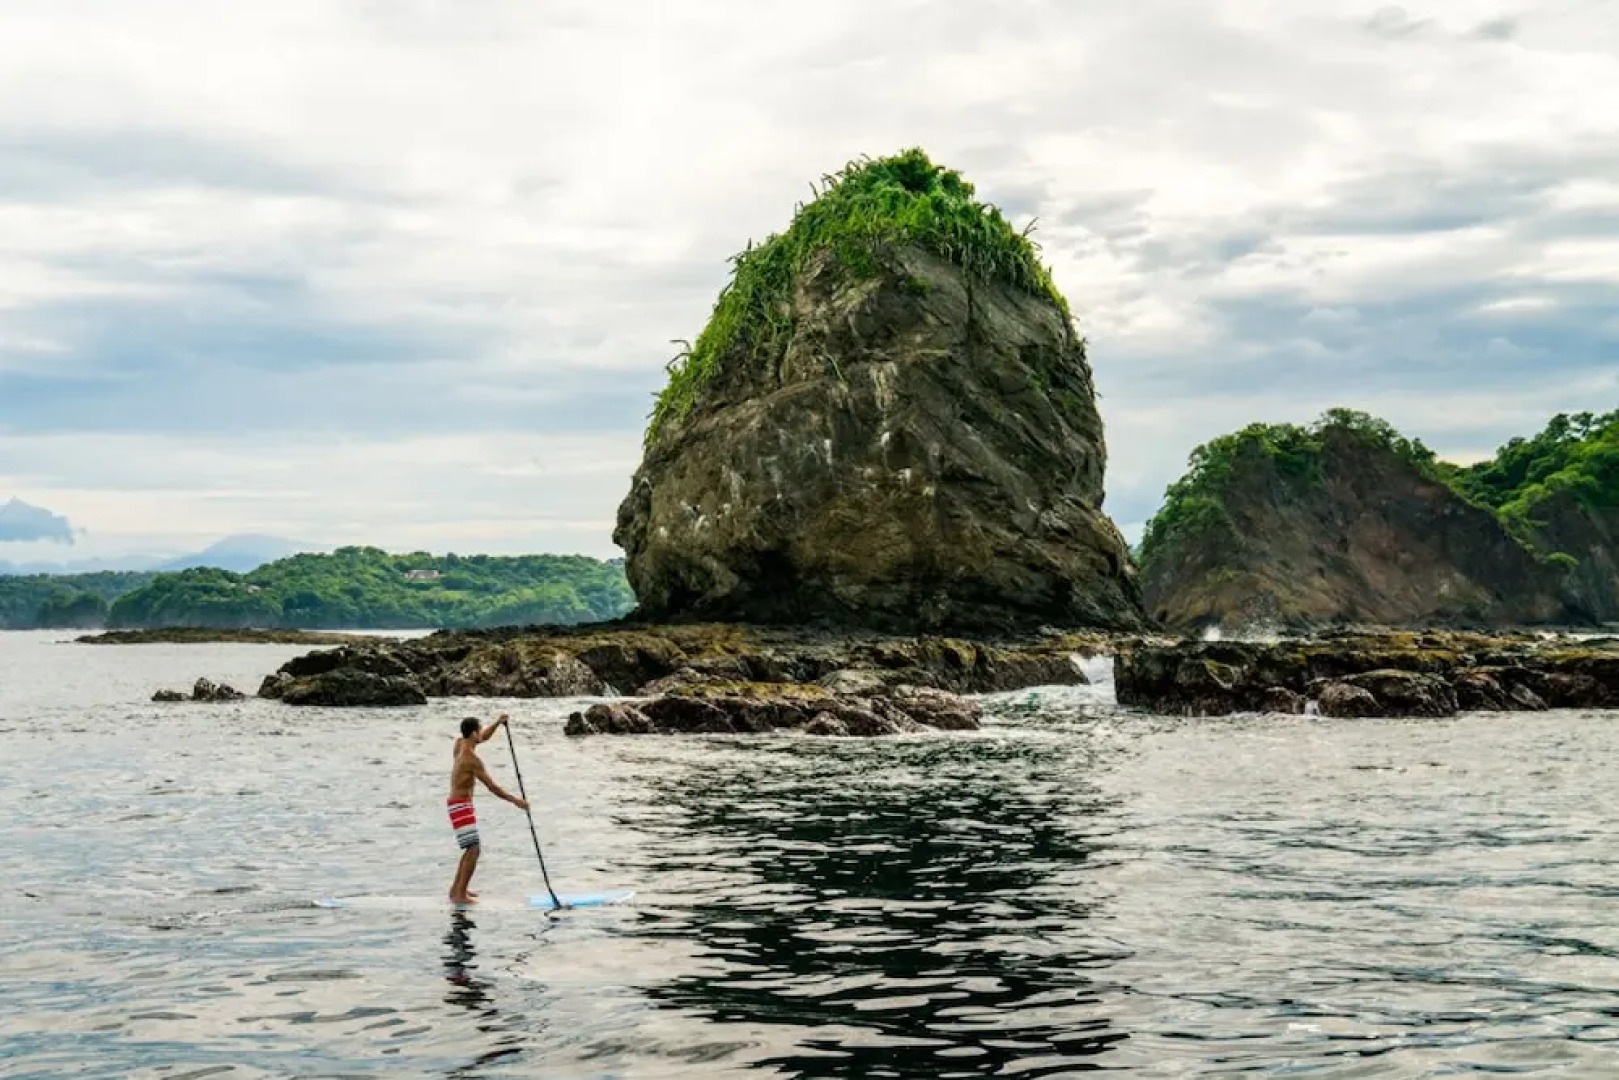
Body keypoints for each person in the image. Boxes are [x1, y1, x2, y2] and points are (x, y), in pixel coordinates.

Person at [446, 713, 528, 904]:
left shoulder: (459, 744)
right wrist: (516, 800)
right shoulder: (471, 759)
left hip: (456, 804)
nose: (481, 734)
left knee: (469, 848)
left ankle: (455, 890)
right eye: (479, 730)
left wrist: (498, 724)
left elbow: (484, 736)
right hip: (460, 806)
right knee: (473, 849)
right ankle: (460, 895)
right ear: (473, 733)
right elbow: (492, 787)